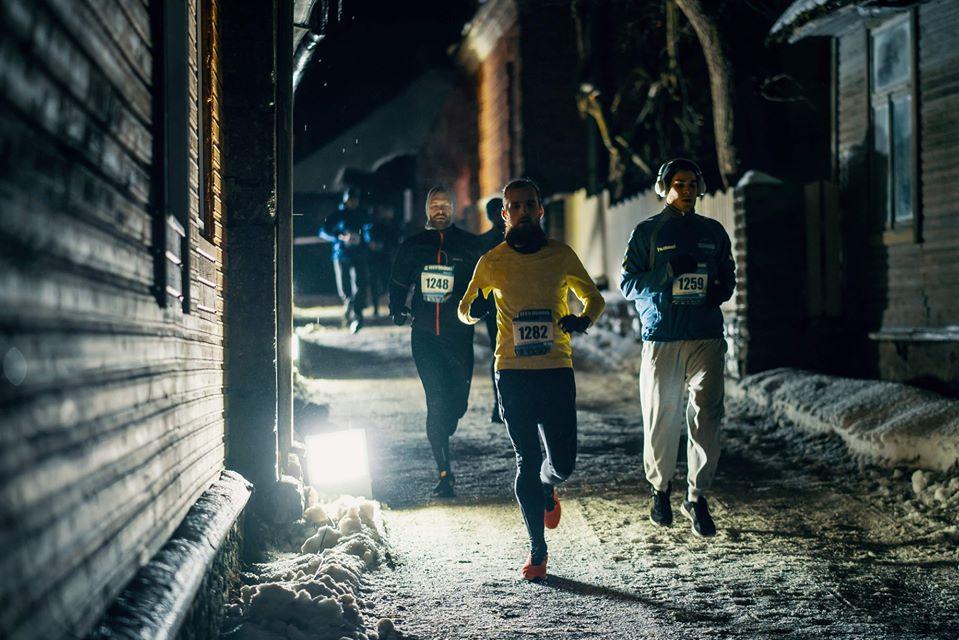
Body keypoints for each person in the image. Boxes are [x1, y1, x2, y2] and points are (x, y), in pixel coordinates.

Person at [458, 178, 605, 581]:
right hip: (512, 373)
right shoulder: (491, 261)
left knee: (563, 464)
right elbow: (464, 309)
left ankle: (548, 485)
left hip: (556, 370)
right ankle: (538, 550)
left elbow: (594, 297)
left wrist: (582, 319)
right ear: (504, 214)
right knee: (527, 457)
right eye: (515, 206)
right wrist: (476, 310)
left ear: (539, 210)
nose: (522, 211)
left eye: (529, 205)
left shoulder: (560, 255)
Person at [619, 158, 736, 538]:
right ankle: (660, 489)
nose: (686, 190)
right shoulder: (648, 232)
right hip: (663, 334)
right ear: (664, 187)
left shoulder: (713, 232)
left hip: (705, 333)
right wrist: (667, 272)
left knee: (708, 412)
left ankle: (697, 497)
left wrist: (720, 290)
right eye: (678, 183)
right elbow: (628, 285)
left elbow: (728, 276)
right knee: (662, 416)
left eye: (691, 183)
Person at [389, 186, 483, 498]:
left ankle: (446, 424)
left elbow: (484, 282)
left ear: (454, 208)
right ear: (427, 209)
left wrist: (482, 304)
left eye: (445, 204)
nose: (439, 210)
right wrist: (397, 308)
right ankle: (444, 473)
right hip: (426, 337)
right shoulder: (414, 245)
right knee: (437, 399)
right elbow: (399, 280)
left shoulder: (468, 244)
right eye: (434, 205)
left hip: (459, 337)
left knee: (456, 404)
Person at [320, 188, 372, 333]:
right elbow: (323, 231)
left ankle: (357, 315)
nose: (353, 202)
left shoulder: (362, 215)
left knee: (361, 284)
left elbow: (369, 228)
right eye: (350, 199)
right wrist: (340, 236)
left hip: (359, 254)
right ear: (345, 200)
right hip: (341, 254)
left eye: (355, 200)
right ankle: (349, 303)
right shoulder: (337, 215)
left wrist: (365, 238)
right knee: (344, 286)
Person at [477, 197, 506, 423]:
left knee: (502, 354)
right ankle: (500, 403)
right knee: (500, 354)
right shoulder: (490, 242)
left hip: (496, 306)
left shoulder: (487, 241)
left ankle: (502, 404)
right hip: (495, 308)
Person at [368, 205, 401, 316]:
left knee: (385, 282)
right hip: (373, 258)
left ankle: (381, 301)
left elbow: (394, 240)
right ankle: (376, 307)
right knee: (374, 283)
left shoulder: (389, 225)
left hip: (385, 258)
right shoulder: (370, 224)